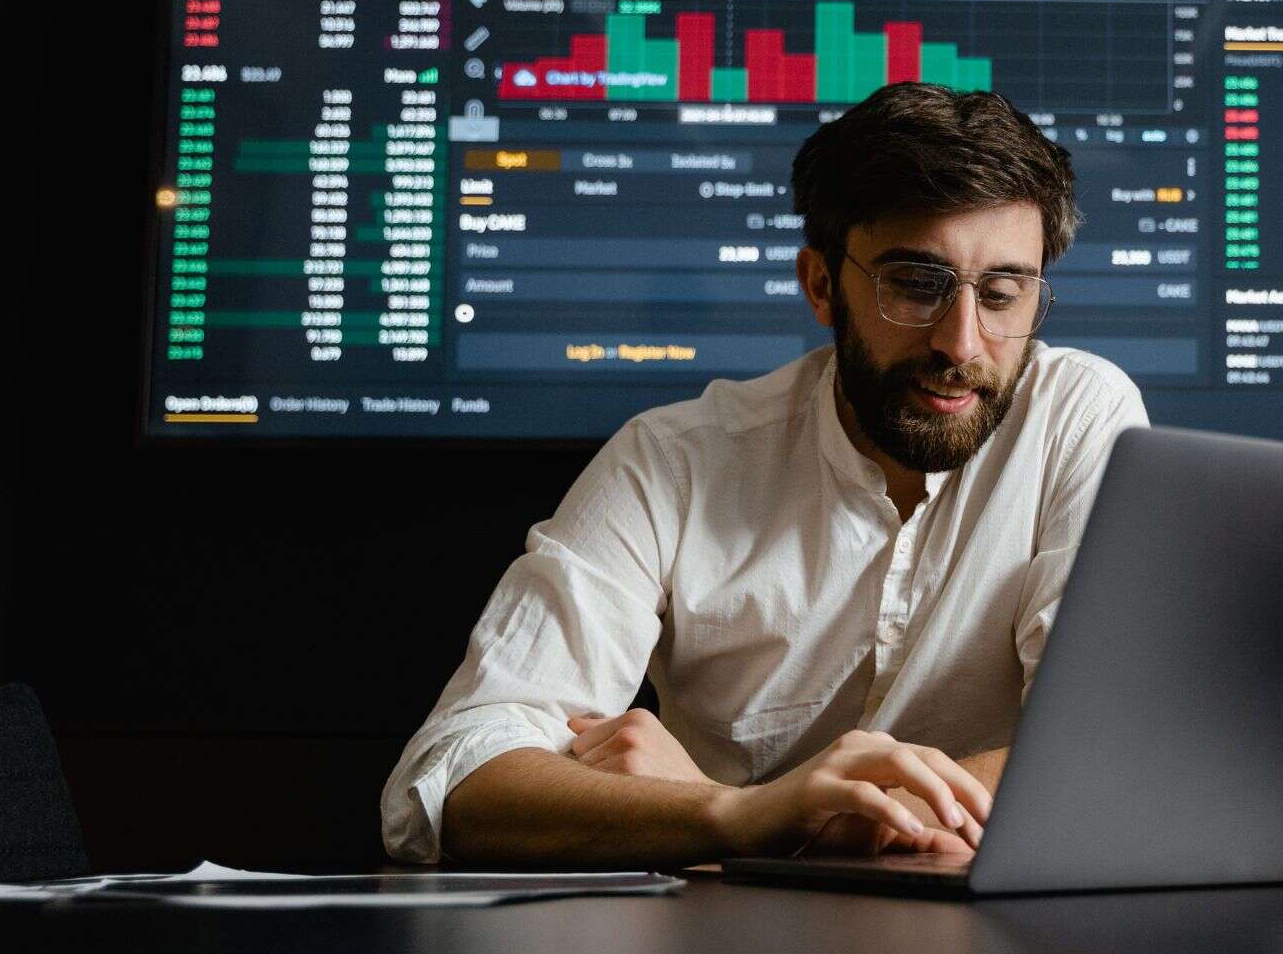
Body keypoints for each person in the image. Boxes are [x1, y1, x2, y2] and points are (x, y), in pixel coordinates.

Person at [380, 83, 1149, 868]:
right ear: (821, 284)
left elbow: (1110, 744)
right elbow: (454, 777)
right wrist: (736, 815)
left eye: (1002, 293)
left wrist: (773, 822)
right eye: (915, 284)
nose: (962, 341)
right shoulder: (669, 461)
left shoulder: (1080, 417)